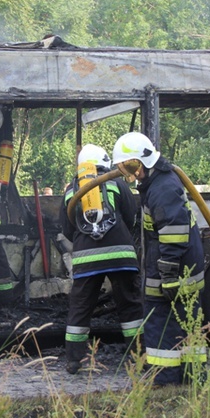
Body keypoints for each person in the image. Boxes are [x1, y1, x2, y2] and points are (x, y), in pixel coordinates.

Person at [111, 132, 207, 386]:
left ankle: (163, 379)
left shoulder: (162, 188)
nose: (132, 175)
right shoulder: (158, 183)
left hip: (173, 270)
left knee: (160, 322)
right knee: (187, 321)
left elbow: (174, 232)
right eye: (125, 168)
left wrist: (167, 274)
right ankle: (192, 376)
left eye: (132, 167)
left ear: (146, 162)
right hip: (183, 268)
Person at [59, 144, 144, 374]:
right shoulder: (116, 183)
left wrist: (84, 239)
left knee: (80, 307)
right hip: (121, 255)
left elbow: (67, 228)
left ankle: (74, 360)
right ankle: (138, 356)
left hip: (87, 259)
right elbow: (131, 214)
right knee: (130, 305)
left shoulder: (70, 190)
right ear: (104, 163)